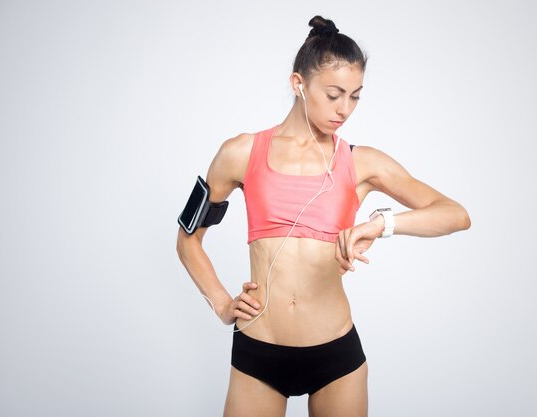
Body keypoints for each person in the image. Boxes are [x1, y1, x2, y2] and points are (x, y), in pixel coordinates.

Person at [176, 15, 470, 417]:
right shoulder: (240, 153)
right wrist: (221, 303)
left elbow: (455, 214)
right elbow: (188, 238)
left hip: (335, 355)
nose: (344, 109)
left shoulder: (360, 162)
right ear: (299, 84)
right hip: (259, 350)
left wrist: (380, 224)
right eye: (334, 94)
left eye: (355, 96)